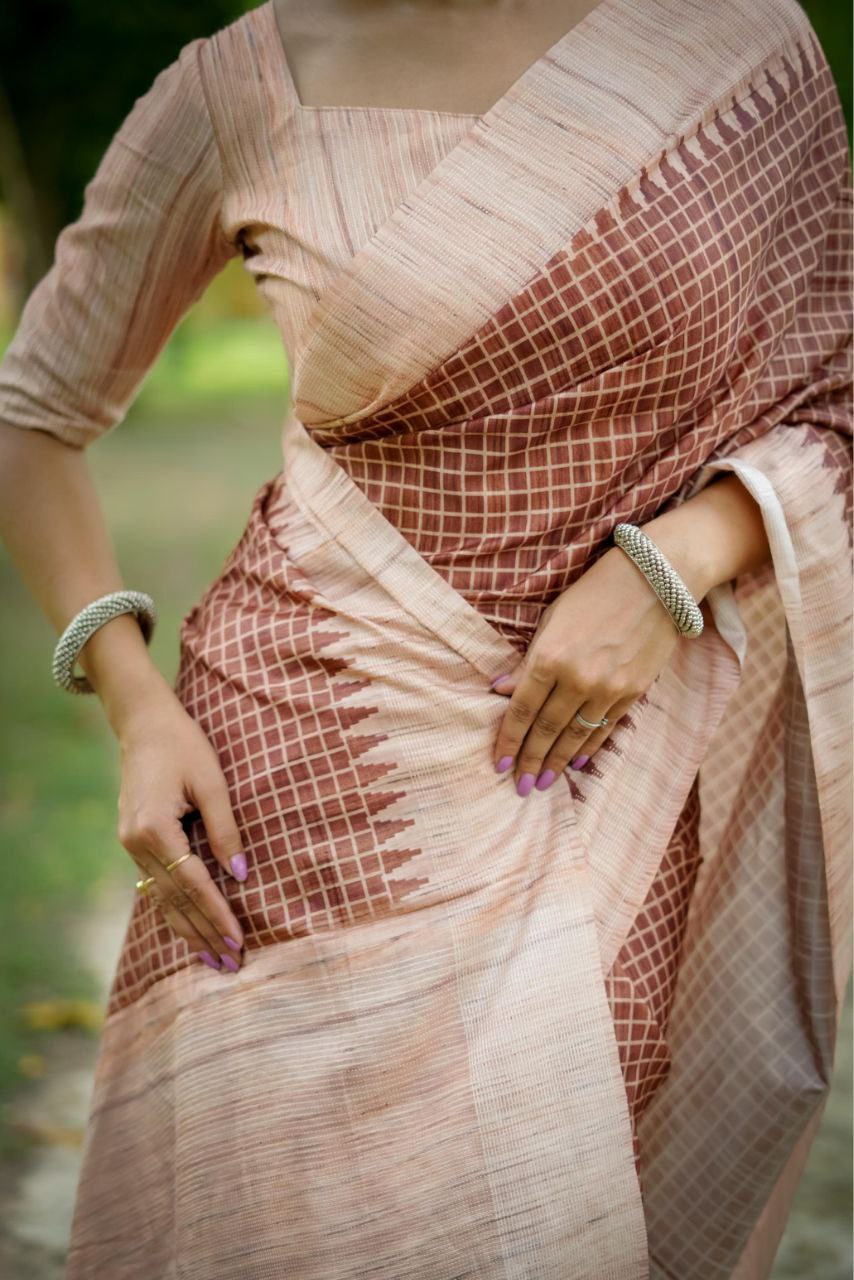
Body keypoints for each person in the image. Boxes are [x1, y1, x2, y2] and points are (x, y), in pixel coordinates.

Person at [0, 0, 850, 1275]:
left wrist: (685, 553)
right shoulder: (244, 86)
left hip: (619, 779)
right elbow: (34, 415)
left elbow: (836, 385)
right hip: (290, 788)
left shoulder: (729, 49)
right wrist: (136, 703)